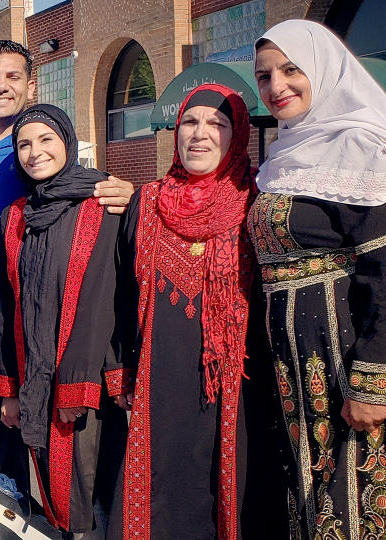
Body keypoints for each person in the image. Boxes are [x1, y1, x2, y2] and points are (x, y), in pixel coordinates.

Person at [0, 40, 135, 539]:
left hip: (7, 339)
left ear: (31, 85)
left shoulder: (42, 162)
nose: (1, 85)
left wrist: (128, 194)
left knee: (13, 464)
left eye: (13, 76)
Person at [248, 20, 386, 537]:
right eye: (264, 76)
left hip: (345, 354)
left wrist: (373, 380)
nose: (276, 86)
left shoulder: (360, 147)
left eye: (290, 69)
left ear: (325, 70)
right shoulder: (284, 156)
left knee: (356, 494)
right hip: (292, 362)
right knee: (307, 490)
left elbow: (384, 271)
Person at [107, 83, 262, 539]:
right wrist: (121, 373)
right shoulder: (148, 201)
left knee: (231, 492)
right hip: (160, 384)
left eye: (216, 124)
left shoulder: (257, 202)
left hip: (238, 388)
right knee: (161, 497)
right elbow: (119, 293)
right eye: (190, 122)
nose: (200, 134)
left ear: (238, 136)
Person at [0, 104, 123, 533]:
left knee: (97, 496)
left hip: (94, 384)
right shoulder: (15, 217)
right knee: (56, 494)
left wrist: (78, 384)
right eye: (24, 144)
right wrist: (10, 389)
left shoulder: (102, 202)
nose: (35, 152)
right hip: (37, 379)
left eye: (45, 139)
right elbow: (8, 307)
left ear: (67, 142)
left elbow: (105, 301)